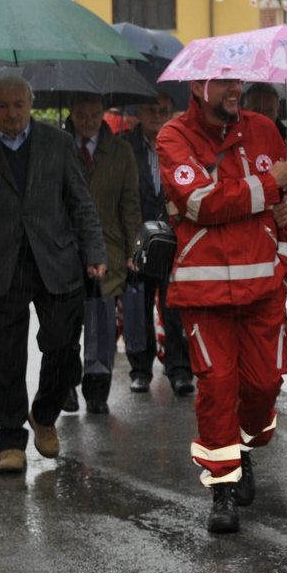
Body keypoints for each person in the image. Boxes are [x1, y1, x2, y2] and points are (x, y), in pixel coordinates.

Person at [155, 77, 287, 535]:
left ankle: (242, 448)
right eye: (223, 83)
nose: (233, 90)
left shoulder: (264, 129)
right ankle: (222, 487)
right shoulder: (173, 136)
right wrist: (266, 186)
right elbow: (199, 202)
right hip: (204, 294)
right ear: (199, 86)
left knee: (263, 387)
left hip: (263, 289)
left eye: (236, 81)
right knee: (217, 388)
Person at [0, 74, 105, 474]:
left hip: (57, 260)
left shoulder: (58, 143)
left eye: (18, 105)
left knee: (64, 346)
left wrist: (94, 251)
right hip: (2, 262)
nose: (11, 114)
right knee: (7, 355)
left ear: (30, 105)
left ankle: (44, 413)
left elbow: (81, 202)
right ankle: (11, 436)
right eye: (2, 106)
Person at [64, 93, 141, 415]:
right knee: (65, 324)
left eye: (94, 115)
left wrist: (134, 249)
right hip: (66, 249)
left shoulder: (121, 152)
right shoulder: (58, 146)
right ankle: (65, 383)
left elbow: (130, 206)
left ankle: (97, 390)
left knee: (102, 324)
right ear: (71, 113)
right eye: (81, 114)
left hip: (109, 248)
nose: (87, 121)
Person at [120, 92, 193, 395]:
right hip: (137, 237)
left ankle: (179, 370)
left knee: (174, 307)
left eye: (163, 109)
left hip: (173, 237)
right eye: (150, 108)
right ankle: (140, 369)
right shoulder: (124, 145)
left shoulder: (181, 143)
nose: (156, 114)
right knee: (137, 305)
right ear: (138, 110)